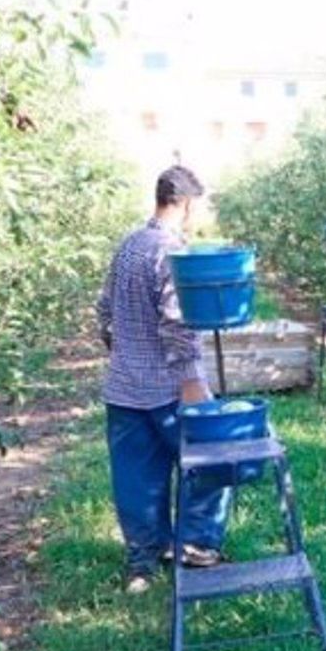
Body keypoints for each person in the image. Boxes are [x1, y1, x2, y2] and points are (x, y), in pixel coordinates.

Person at [96, 165, 232, 594]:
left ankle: (143, 562)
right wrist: (192, 382)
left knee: (136, 477)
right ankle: (196, 547)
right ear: (186, 204)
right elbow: (176, 322)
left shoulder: (129, 244)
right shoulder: (171, 251)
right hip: (169, 388)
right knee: (212, 460)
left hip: (123, 388)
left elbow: (104, 310)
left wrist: (123, 354)